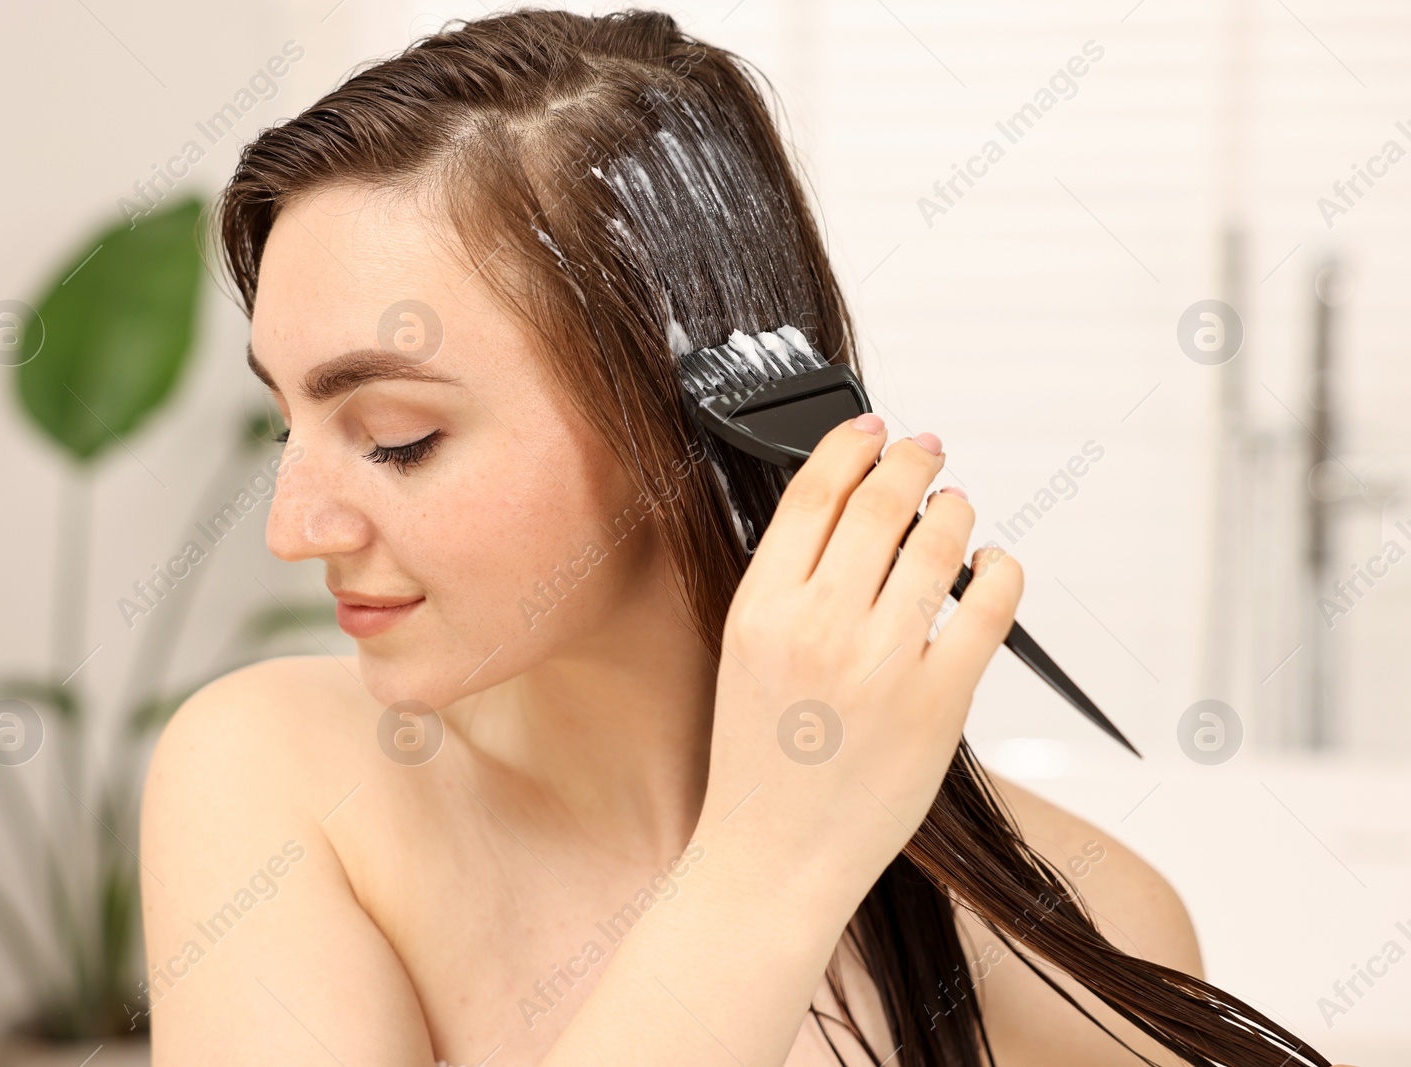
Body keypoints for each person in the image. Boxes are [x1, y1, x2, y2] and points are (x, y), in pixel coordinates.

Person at [140, 10, 1339, 1066]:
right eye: (283, 419)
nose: (294, 527)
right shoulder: (279, 777)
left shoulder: (1083, 942)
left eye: (395, 434)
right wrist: (768, 863)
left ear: (688, 415)